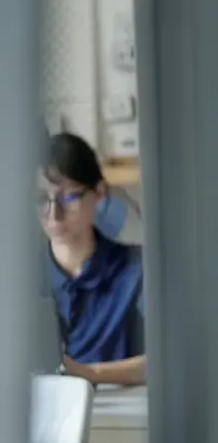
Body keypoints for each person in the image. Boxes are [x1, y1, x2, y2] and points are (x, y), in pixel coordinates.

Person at [39, 133, 146, 386]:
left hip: (122, 419)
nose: (54, 213)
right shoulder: (14, 276)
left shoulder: (137, 271)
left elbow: (169, 358)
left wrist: (89, 374)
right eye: (41, 198)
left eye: (69, 196)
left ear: (99, 192)